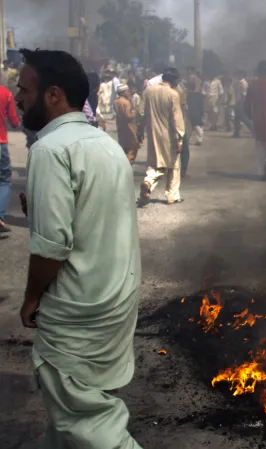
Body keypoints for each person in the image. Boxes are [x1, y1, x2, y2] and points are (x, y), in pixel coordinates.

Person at [15, 48, 143, 449]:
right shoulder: (105, 144)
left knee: (86, 422)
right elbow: (92, 217)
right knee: (71, 418)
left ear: (53, 94)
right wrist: (40, 211)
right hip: (116, 298)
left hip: (77, 309)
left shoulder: (50, 150)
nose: (17, 98)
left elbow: (52, 246)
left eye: (24, 90)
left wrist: (31, 298)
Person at [138, 68, 185, 206]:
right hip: (169, 135)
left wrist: (140, 130)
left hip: (153, 133)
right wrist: (180, 137)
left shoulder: (148, 91)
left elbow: (141, 113)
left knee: (155, 162)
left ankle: (148, 182)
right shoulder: (173, 94)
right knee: (173, 164)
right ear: (174, 80)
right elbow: (177, 118)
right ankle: (172, 195)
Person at [0, 80, 19, 233]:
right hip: (0, 142)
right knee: (4, 179)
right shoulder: (6, 93)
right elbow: (14, 121)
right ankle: (0, 217)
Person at [113, 85, 140, 164]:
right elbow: (128, 116)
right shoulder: (126, 102)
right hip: (129, 127)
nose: (129, 93)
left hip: (120, 126)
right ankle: (128, 162)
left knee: (124, 147)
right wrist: (135, 111)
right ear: (123, 92)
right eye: (127, 91)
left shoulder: (116, 101)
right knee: (133, 146)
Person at [185, 66, 205, 146]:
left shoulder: (192, 77)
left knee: (193, 121)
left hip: (193, 99)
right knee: (196, 121)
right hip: (198, 99)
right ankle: (196, 138)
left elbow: (191, 89)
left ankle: (196, 137)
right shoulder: (199, 79)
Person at [232, 70, 252, 138]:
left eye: (238, 74)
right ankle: (236, 133)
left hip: (241, 103)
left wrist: (241, 103)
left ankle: (254, 131)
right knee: (237, 119)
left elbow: (244, 95)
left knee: (244, 119)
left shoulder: (244, 83)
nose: (237, 76)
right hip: (238, 102)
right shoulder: (239, 83)